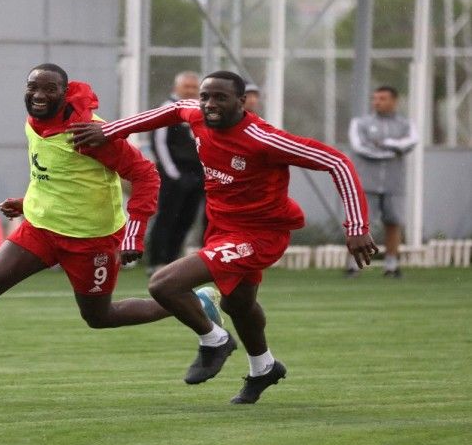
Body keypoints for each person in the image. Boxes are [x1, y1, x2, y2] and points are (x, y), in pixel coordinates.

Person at [0, 63, 222, 399]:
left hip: (90, 239)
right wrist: (27, 203)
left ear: (64, 93)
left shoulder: (89, 132)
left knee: (100, 316)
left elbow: (146, 176)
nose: (39, 95)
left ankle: (192, 303)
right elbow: (54, 172)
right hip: (41, 228)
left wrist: (134, 233)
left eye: (49, 89)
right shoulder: (35, 121)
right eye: (33, 87)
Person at [69, 70, 378, 404]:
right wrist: (110, 130)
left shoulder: (263, 138)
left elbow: (337, 161)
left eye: (220, 98)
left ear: (242, 101)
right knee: (237, 304)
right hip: (222, 229)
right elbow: (171, 110)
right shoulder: (196, 115)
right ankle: (264, 368)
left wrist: (357, 227)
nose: (209, 104)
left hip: (261, 234)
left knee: (163, 284)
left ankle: (214, 340)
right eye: (205, 97)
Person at [347, 86, 418, 278]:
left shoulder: (406, 124)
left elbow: (411, 141)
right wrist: (393, 151)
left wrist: (385, 143)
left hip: (394, 183)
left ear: (394, 101)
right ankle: (354, 264)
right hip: (366, 183)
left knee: (394, 222)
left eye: (382, 98)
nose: (377, 102)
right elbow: (359, 147)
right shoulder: (360, 123)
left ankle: (391, 265)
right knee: (359, 224)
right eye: (375, 98)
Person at [147, 71, 204, 276]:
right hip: (174, 173)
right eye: (186, 87)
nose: (190, 91)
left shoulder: (201, 109)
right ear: (176, 88)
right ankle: (156, 261)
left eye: (194, 87)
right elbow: (159, 143)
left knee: (187, 218)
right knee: (167, 216)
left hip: (198, 173)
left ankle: (172, 261)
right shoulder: (168, 108)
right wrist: (173, 174)